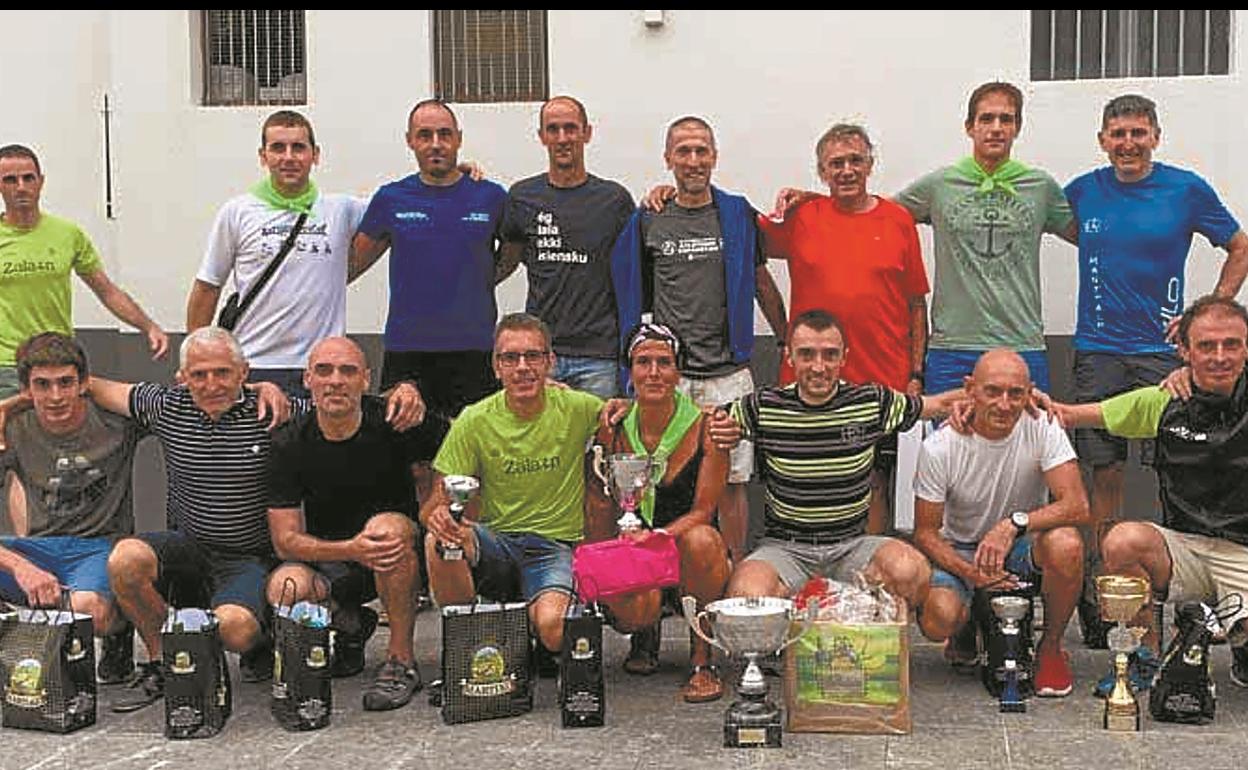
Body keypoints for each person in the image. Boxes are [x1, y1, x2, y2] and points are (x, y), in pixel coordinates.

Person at [96, 327, 421, 712]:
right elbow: (91, 386)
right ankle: (161, 663)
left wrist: (405, 391)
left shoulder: (277, 411)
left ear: (243, 373)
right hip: (188, 548)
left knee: (234, 630)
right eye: (199, 374)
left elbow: (340, 399)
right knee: (125, 559)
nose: (211, 384)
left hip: (250, 561)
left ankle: (266, 636)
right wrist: (9, 406)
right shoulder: (166, 406)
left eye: (222, 373)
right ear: (182, 378)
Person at [1064, 94, 1248, 647]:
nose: (1128, 143)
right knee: (1105, 475)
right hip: (1097, 350)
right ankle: (1106, 599)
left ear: (1155, 136)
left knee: (1181, 458)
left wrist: (1203, 315)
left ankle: (1201, 572)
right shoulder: (1082, 191)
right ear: (1102, 140)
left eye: (1138, 132)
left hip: (1158, 353)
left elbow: (1239, 247)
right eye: (1117, 133)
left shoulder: (1186, 189)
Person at [1047, 294, 1248, 693]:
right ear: (1184, 351)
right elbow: (1076, 414)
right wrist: (1026, 402)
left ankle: (1241, 642)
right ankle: (1144, 656)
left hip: (1243, 551)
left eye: (1232, 344)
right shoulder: (1165, 400)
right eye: (1206, 346)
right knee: (1123, 540)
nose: (1220, 356)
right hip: (1184, 548)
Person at [612, 115, 788, 562]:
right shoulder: (649, 218)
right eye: (683, 151)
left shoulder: (736, 213)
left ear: (714, 156)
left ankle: (732, 573)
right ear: (668, 159)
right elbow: (633, 288)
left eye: (701, 150)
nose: (693, 160)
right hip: (670, 377)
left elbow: (761, 280)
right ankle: (658, 571)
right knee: (659, 480)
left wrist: (785, 339)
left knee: (732, 481)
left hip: (727, 373)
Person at [721, 310, 963, 620]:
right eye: (806, 355)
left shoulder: (870, 402)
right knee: (746, 600)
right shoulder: (762, 405)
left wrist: (1026, 395)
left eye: (829, 355)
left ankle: (851, 622)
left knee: (911, 572)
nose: (818, 367)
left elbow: (940, 404)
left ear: (844, 358)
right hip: (784, 549)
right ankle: (806, 625)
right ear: (789, 357)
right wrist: (718, 425)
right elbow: (708, 418)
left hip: (852, 547)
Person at [760, 122, 928, 530]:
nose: (847, 170)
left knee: (874, 485)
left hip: (882, 380)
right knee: (801, 480)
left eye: (856, 160)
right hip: (808, 382)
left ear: (871, 164)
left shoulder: (898, 220)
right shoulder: (802, 217)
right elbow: (735, 234)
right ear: (821, 172)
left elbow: (916, 305)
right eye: (836, 164)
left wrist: (916, 373)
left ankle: (868, 585)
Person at [266, 337, 447, 711]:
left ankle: (400, 661)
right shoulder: (288, 443)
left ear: (366, 380)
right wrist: (350, 550)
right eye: (324, 371)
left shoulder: (397, 419)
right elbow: (285, 541)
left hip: (400, 553)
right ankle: (346, 627)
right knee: (285, 586)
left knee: (384, 531)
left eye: (348, 371)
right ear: (307, 380)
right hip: (332, 559)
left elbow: (462, 443)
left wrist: (433, 512)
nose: (336, 381)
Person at [421, 313, 603, 658]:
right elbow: (433, 503)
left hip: (552, 548)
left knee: (556, 629)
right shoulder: (474, 419)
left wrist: (622, 406)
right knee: (437, 542)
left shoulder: (579, 408)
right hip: (495, 543)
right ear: (496, 366)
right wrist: (440, 517)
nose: (522, 367)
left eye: (533, 356)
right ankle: (465, 648)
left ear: (550, 362)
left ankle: (532, 632)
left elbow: (625, 418)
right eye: (510, 358)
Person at [912, 349, 1089, 697]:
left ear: (1030, 394)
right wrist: (971, 573)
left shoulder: (1042, 426)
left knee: (1067, 544)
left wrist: (1013, 524)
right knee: (938, 619)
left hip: (1020, 545)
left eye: (1015, 393)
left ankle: (1050, 648)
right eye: (992, 391)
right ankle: (967, 622)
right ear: (970, 390)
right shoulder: (940, 446)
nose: (1004, 404)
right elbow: (926, 533)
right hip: (961, 550)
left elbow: (1078, 505)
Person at [895, 81, 1077, 395]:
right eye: (986, 119)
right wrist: (815, 200)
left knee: (1025, 439)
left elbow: (1095, 240)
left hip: (1021, 344)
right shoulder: (940, 185)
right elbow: (871, 213)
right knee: (948, 441)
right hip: (952, 346)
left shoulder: (1040, 187)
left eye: (1006, 120)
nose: (996, 128)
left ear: (1017, 128)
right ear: (969, 127)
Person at [586, 323, 729, 702]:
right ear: (629, 370)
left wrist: (657, 538)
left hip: (685, 551)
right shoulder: (612, 428)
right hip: (638, 550)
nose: (653, 372)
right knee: (627, 596)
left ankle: (702, 657)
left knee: (704, 540)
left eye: (664, 362)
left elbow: (704, 510)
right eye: (643, 361)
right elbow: (600, 503)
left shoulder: (706, 427)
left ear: (679, 371)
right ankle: (643, 632)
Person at [186, 111, 366, 396]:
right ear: (263, 156)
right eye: (278, 148)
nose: (289, 157)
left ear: (315, 155)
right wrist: (194, 358)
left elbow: (397, 209)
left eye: (299, 147)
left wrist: (461, 173)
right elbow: (208, 287)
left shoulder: (342, 210)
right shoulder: (237, 212)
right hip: (252, 365)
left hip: (319, 368)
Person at [350, 99, 506, 421]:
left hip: (476, 350)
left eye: (444, 134)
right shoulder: (391, 198)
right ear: (410, 140)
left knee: (475, 460)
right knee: (409, 460)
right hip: (408, 353)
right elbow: (349, 266)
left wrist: (476, 278)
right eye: (425, 135)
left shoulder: (491, 196)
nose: (436, 144)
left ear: (458, 139)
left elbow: (513, 253)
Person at [0, 332, 139, 684]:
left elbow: (177, 405)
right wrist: (21, 567)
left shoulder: (116, 422)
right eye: (42, 385)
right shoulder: (12, 429)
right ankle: (13, 652)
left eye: (65, 382)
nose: (56, 396)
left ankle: (120, 625)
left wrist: (261, 389)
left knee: (86, 610)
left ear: (84, 383)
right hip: (38, 547)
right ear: (27, 389)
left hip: (99, 546)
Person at [0, 143, 167, 397]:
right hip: (7, 364)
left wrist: (148, 326)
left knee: (59, 435)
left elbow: (107, 291)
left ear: (41, 181)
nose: (21, 187)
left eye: (28, 178)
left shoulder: (67, 234)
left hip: (59, 360)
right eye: (10, 180)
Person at [495, 95, 635, 398]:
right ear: (541, 136)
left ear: (587, 133)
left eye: (570, 128)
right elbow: (505, 262)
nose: (562, 138)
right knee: (539, 443)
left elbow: (638, 265)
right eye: (553, 129)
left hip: (599, 356)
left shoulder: (615, 200)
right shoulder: (521, 197)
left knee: (597, 444)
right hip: (539, 356)